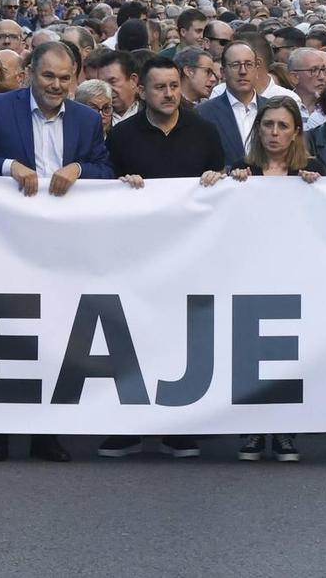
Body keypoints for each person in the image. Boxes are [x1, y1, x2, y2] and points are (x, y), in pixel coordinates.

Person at [100, 55, 226, 461]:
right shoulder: (121, 137)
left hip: (190, 257)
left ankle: (179, 428)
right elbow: (101, 189)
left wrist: (217, 181)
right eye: (160, 87)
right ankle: (129, 427)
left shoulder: (205, 132)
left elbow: (224, 191)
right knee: (133, 336)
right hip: (134, 257)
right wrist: (119, 185)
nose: (169, 94)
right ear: (142, 91)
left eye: (174, 86)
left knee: (181, 339)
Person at [229, 98, 322, 463]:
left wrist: (319, 186)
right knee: (251, 353)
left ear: (296, 131)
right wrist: (218, 181)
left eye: (283, 126)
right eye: (268, 125)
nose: (274, 133)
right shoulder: (242, 169)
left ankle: (284, 430)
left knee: (287, 354)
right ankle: (252, 429)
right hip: (250, 272)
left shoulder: (312, 171)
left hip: (295, 272)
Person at [195, 41, 266, 168]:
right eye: (235, 65)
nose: (243, 71)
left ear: (256, 69)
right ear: (222, 72)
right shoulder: (202, 114)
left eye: (249, 64)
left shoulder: (273, 109)